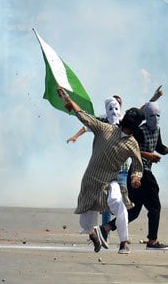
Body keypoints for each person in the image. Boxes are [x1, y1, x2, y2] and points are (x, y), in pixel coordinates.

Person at [58, 88, 145, 254]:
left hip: (110, 181)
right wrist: (66, 98)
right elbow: (82, 115)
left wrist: (136, 177)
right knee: (86, 220)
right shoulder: (104, 128)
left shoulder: (132, 143)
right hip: (91, 179)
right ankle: (93, 234)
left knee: (119, 205)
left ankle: (124, 242)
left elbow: (137, 164)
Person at [102, 101, 168, 250]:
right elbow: (131, 150)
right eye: (151, 116)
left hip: (142, 172)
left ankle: (105, 228)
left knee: (134, 211)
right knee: (155, 206)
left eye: (158, 116)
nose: (155, 119)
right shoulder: (140, 131)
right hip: (140, 171)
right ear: (146, 117)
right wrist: (148, 156)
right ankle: (152, 240)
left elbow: (159, 147)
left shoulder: (157, 130)